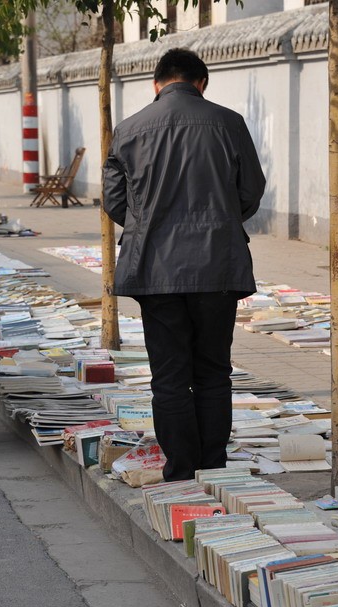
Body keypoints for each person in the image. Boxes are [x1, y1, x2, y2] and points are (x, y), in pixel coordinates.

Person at [102, 48, 266, 482]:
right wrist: (221, 222)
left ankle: (179, 470)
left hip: (155, 269)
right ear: (202, 83)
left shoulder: (129, 129)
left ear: (156, 84)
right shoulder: (229, 123)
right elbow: (250, 191)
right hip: (218, 265)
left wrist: (147, 225)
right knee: (213, 370)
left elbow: (115, 201)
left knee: (169, 374)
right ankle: (214, 466)